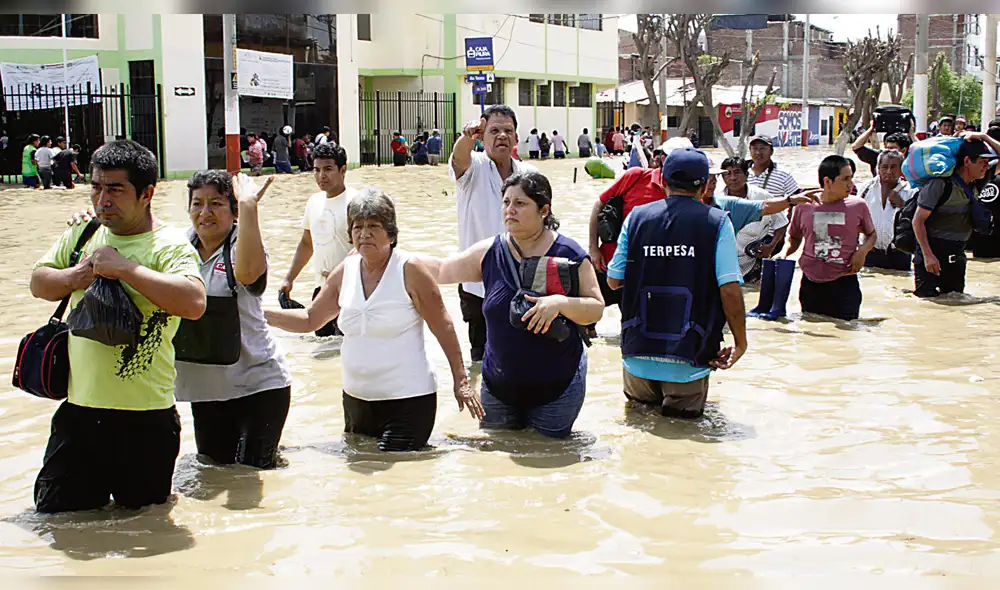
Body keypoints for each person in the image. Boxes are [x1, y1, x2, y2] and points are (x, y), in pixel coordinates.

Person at [29, 140, 206, 513]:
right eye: (96, 187)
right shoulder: (82, 234)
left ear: (147, 194)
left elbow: (193, 302)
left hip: (145, 420)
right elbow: (39, 283)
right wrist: (77, 275)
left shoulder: (169, 246)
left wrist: (126, 269)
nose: (102, 199)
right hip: (78, 413)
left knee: (144, 526)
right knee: (60, 524)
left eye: (115, 189)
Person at [267, 189, 483, 451]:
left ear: (391, 235)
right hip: (356, 401)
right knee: (358, 482)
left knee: (397, 477)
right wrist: (260, 315)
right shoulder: (345, 271)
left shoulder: (410, 269)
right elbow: (310, 319)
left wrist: (461, 381)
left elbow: (444, 326)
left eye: (373, 227)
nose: (364, 234)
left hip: (407, 401)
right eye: (357, 227)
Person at [420, 171, 604, 438]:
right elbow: (441, 271)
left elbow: (596, 308)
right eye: (506, 203)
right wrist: (390, 254)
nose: (510, 210)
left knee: (550, 458)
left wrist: (559, 303)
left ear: (544, 210)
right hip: (498, 388)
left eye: (520, 204)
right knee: (496, 458)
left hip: (558, 389)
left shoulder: (569, 254)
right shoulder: (490, 252)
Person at [141, 170, 289, 469]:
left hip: (258, 384)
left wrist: (249, 206)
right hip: (205, 390)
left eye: (216, 204)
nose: (205, 213)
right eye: (197, 204)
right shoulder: (178, 246)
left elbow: (247, 274)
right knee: (213, 471)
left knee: (251, 474)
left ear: (234, 211)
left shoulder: (243, 243)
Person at [604, 148, 747, 419]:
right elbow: (729, 290)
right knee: (684, 441)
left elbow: (613, 281)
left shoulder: (635, 218)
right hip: (689, 357)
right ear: (705, 185)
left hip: (638, 356)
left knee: (641, 437)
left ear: (662, 182)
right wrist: (740, 343)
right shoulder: (717, 223)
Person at [450, 104, 537, 362]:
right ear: (482, 136)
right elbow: (458, 158)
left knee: (521, 356)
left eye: (508, 131)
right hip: (477, 283)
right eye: (494, 130)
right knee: (480, 358)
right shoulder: (472, 168)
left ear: (516, 138)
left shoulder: (530, 176)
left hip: (521, 282)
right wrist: (467, 137)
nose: (502, 136)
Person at [781, 155, 876, 321]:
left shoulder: (857, 205)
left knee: (846, 334)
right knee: (813, 333)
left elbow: (871, 235)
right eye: (845, 179)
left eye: (851, 178)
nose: (851, 184)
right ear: (828, 181)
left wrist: (862, 252)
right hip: (811, 283)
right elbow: (794, 237)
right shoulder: (804, 206)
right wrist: (784, 253)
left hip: (844, 283)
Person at [279, 143, 355, 337]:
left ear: (343, 170)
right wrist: (289, 278)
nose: (322, 176)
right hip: (321, 290)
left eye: (328, 169)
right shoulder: (314, 202)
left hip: (352, 291)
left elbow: (366, 250)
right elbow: (307, 242)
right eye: (317, 170)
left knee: (347, 349)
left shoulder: (357, 203)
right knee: (323, 351)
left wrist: (340, 274)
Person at [913, 135, 999, 297]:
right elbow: (918, 221)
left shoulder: (979, 181)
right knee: (928, 304)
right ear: (967, 161)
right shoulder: (940, 185)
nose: (987, 167)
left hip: (957, 255)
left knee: (954, 302)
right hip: (932, 254)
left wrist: (984, 137)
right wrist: (927, 255)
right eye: (982, 162)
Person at [720, 157, 788, 282]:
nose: (732, 178)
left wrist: (771, 246)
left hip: (754, 261)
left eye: (737, 172)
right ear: (723, 178)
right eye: (727, 174)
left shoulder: (762, 197)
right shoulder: (717, 199)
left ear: (746, 175)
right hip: (727, 262)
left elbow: (782, 222)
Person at [857, 150, 914, 270]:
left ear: (901, 169)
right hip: (870, 252)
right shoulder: (866, 188)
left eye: (893, 167)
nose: (889, 171)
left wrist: (902, 205)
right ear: (878, 168)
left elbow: (917, 221)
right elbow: (855, 218)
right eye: (884, 167)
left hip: (900, 254)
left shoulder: (910, 191)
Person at [746, 135, 800, 199]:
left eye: (762, 148)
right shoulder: (741, 172)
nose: (758, 152)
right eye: (755, 148)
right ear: (750, 150)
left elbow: (797, 200)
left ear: (771, 151)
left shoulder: (784, 175)